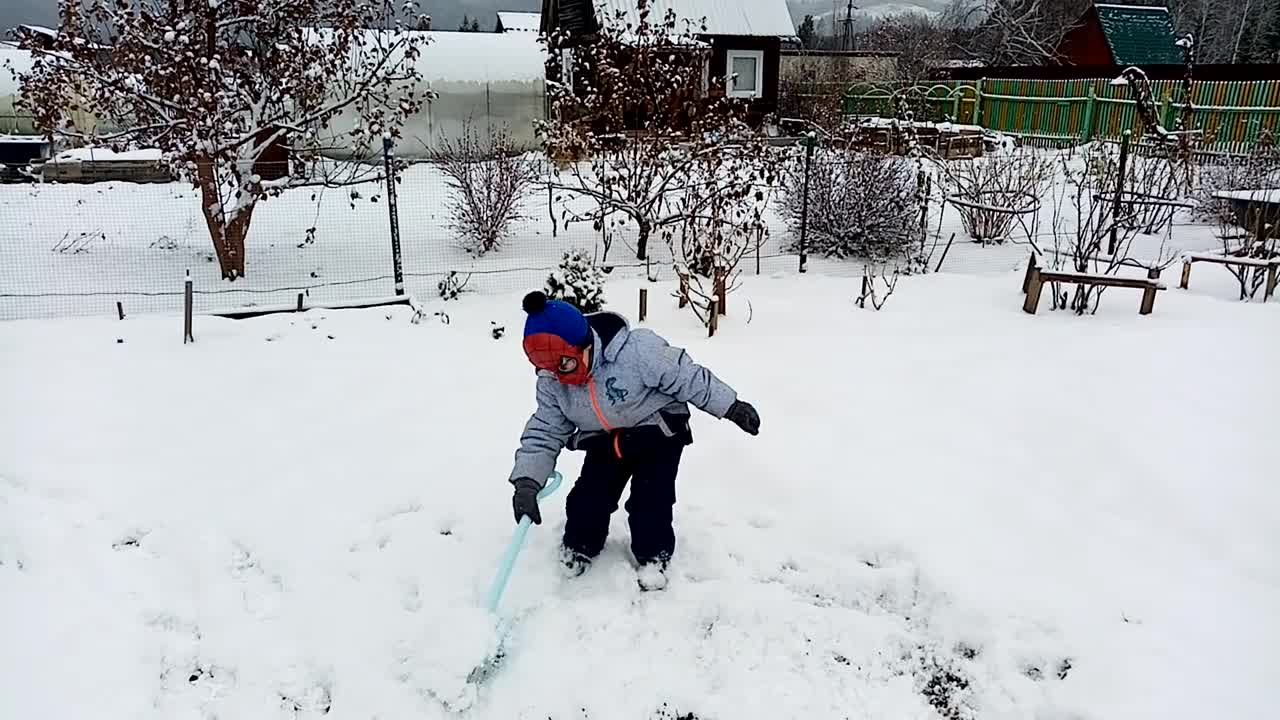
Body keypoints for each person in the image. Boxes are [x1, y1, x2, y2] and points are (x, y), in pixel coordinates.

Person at [507, 291, 760, 591]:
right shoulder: (553, 380)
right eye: (548, 369)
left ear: (584, 345)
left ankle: (654, 556)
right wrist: (527, 481)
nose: (558, 377)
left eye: (565, 365)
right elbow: (546, 429)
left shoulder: (636, 351)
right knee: (588, 500)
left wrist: (731, 406)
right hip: (604, 439)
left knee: (650, 501)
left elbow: (687, 377)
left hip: (657, 431)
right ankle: (579, 545)